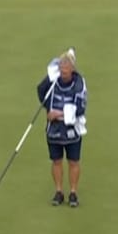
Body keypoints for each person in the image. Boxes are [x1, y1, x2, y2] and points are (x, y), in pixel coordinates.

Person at [37, 51, 87, 207]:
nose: (63, 74)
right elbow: (40, 91)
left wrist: (59, 114)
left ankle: (73, 193)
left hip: (72, 131)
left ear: (72, 69)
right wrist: (48, 109)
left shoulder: (79, 85)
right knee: (56, 161)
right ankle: (58, 192)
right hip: (54, 130)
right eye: (61, 70)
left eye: (65, 71)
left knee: (73, 162)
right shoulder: (53, 80)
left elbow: (80, 109)